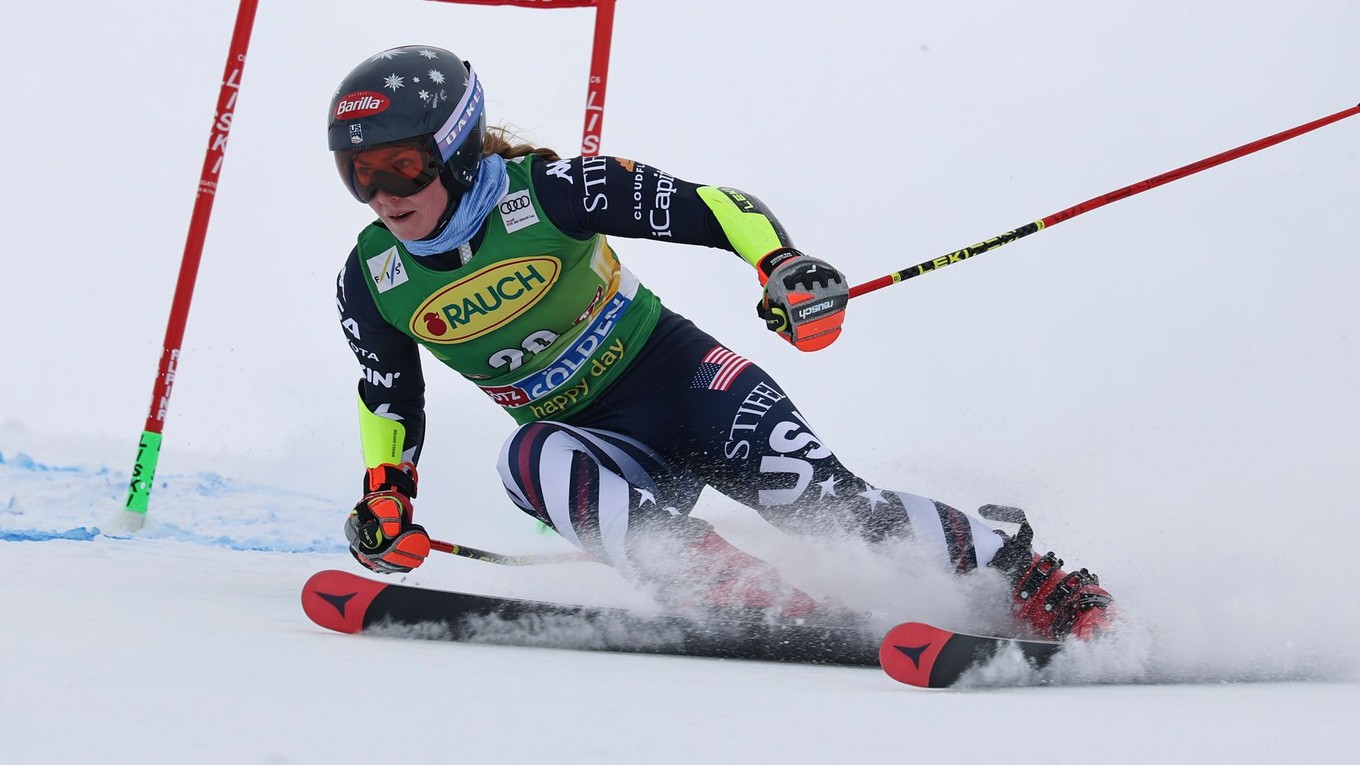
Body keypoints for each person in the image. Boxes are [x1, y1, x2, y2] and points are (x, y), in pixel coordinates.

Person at [329, 45, 1114, 640]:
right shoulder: (374, 277)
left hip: (688, 387)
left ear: (460, 150)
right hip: (599, 444)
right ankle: (731, 585)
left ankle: (1035, 580)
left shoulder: (552, 192)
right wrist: (387, 493)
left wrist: (782, 266)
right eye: (359, 174)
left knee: (825, 506)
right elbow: (388, 396)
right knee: (524, 459)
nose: (384, 196)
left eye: (403, 166)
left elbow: (713, 205)